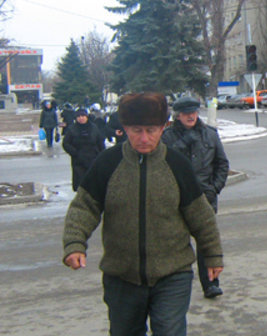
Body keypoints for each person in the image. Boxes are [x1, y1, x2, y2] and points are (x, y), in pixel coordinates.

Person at [62, 92, 224, 336]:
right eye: (136, 130)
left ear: (163, 127)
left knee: (169, 331)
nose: (144, 138)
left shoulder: (177, 165)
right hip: (121, 276)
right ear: (125, 128)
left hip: (173, 274)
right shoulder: (108, 163)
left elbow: (201, 216)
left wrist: (213, 255)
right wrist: (75, 243)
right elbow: (85, 206)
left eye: (151, 130)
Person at [162, 96, 230, 299]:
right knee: (176, 244)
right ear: (178, 115)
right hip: (177, 200)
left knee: (206, 243)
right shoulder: (167, 138)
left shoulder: (210, 135)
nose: (191, 116)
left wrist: (214, 188)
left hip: (204, 198)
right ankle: (175, 287)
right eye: (186, 113)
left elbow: (222, 164)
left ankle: (210, 284)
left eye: (193, 112)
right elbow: (162, 167)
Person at [62, 108, 105, 191]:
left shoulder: (93, 128)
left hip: (93, 158)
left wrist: (101, 155)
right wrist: (74, 153)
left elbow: (100, 141)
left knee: (93, 182)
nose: (81, 118)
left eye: (83, 116)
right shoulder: (72, 129)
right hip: (79, 160)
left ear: (87, 117)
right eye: (78, 116)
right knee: (81, 183)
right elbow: (66, 143)